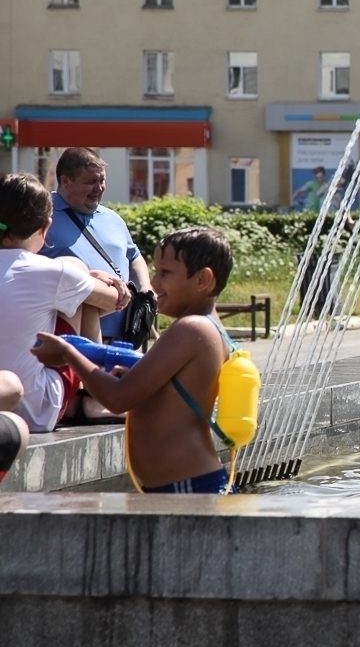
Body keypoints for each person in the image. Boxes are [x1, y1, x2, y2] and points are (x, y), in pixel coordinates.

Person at [32, 227, 238, 493]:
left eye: (165, 273)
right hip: (185, 484)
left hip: (187, 489)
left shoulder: (191, 329)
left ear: (203, 280)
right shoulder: (207, 326)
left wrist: (69, 353)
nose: (154, 282)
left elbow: (117, 399)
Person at [1, 173, 124, 432]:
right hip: (37, 411)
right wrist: (88, 275)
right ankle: (94, 398)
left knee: (73, 282)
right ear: (46, 227)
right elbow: (115, 301)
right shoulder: (53, 273)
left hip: (7, 392)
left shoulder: (51, 273)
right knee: (75, 271)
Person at [40, 147, 153, 344]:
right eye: (91, 182)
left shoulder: (112, 218)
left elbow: (133, 256)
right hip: (71, 337)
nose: (99, 188)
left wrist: (145, 289)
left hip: (125, 334)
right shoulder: (42, 216)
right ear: (66, 181)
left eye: (102, 180)